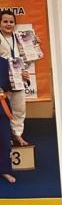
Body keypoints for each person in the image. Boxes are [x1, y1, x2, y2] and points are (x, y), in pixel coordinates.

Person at [0, 9, 29, 146]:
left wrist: (24, 71)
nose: (8, 24)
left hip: (18, 78)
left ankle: (17, 134)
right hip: (2, 79)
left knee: (19, 108)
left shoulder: (19, 38)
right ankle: (5, 137)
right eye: (5, 21)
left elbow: (26, 59)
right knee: (3, 109)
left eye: (11, 22)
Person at [0, 54, 14, 184]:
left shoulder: (4, 62)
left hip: (2, 104)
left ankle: (5, 170)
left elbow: (8, 85)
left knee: (4, 139)